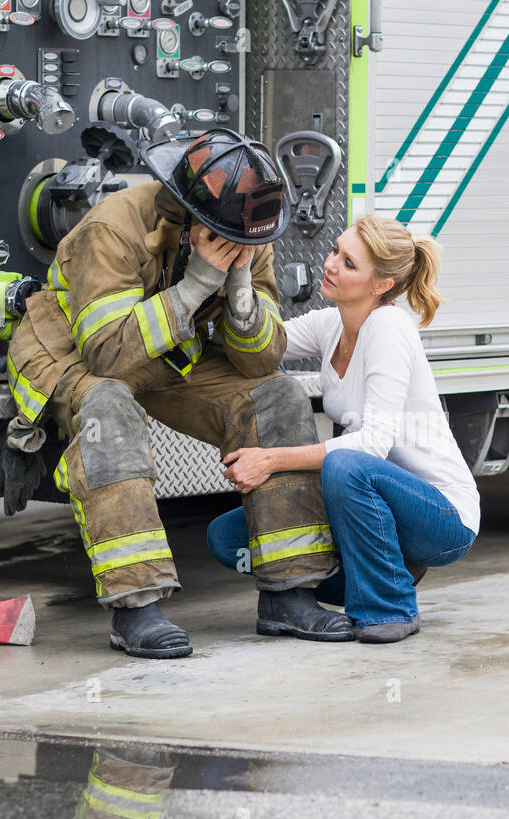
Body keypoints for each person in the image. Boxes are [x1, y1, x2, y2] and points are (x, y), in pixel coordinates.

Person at [0, 129, 351, 659]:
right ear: (192, 217)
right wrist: (197, 283)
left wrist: (237, 290)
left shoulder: (246, 228)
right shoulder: (113, 228)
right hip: (74, 348)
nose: (246, 247)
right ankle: (135, 607)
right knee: (109, 408)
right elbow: (109, 356)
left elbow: (262, 358)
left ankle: (290, 595)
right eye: (229, 238)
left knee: (277, 397)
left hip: (167, 349)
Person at [206, 216, 480, 643]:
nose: (331, 264)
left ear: (380, 286)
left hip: (441, 515)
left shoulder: (389, 328)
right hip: (372, 502)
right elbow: (258, 345)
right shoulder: (329, 324)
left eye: (349, 263)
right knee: (228, 536)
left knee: (346, 465)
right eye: (336, 251)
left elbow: (372, 445)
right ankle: (384, 567)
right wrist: (227, 278)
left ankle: (389, 606)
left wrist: (271, 460)